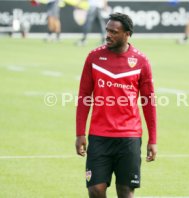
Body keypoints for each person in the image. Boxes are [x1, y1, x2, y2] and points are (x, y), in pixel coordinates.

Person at [75, 13, 157, 198]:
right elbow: (84, 97)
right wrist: (80, 133)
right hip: (99, 136)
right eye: (107, 30)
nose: (108, 35)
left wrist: (153, 139)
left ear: (127, 34)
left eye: (114, 32)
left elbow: (149, 102)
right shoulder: (94, 58)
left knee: (126, 192)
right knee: (95, 190)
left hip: (129, 137)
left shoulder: (141, 61)